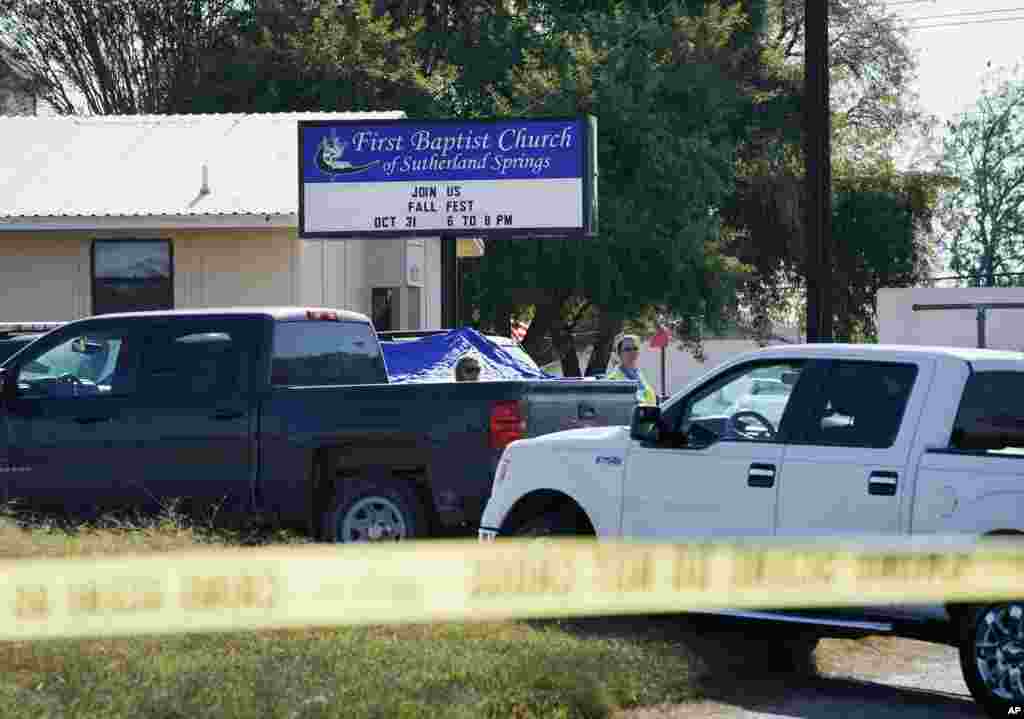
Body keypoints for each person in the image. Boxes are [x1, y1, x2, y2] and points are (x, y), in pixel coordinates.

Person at [606, 333, 658, 405]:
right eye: (627, 349)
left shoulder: (639, 374)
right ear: (619, 353)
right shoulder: (613, 380)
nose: (632, 352)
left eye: (635, 348)